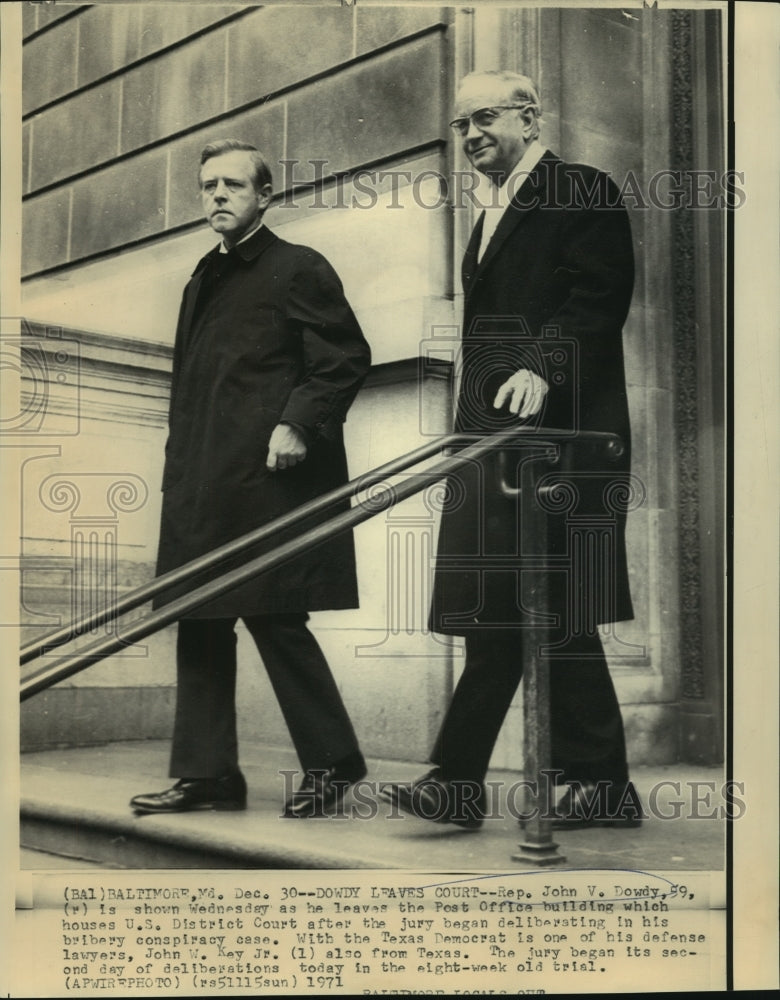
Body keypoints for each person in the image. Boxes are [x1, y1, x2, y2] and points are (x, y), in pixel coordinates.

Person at [380, 70, 642, 830]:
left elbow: (599, 298)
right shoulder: (488, 216)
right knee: (499, 611)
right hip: (497, 447)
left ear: (530, 117)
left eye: (484, 118)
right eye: (461, 126)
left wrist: (541, 365)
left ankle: (587, 782)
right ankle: (465, 783)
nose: (470, 136)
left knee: (553, 609)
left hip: (561, 442)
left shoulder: (580, 189)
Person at [130, 139, 371, 818]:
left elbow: (345, 357)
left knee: (276, 619)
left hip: (270, 478)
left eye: (234, 185)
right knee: (198, 619)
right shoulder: (202, 277)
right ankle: (207, 775)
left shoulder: (298, 267)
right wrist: (179, 475)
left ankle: (334, 763)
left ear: (265, 195)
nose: (218, 196)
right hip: (205, 482)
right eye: (208, 186)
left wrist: (298, 422)